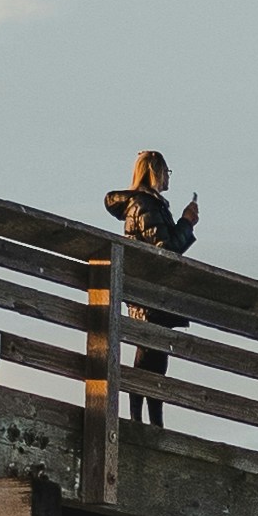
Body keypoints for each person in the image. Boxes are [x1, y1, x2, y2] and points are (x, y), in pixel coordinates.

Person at [105, 141, 199, 426]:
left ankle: (149, 420)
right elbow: (166, 249)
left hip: (146, 294)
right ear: (155, 172)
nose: (169, 176)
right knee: (150, 358)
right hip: (150, 295)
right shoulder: (145, 204)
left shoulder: (147, 205)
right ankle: (141, 420)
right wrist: (186, 223)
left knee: (155, 359)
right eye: (166, 171)